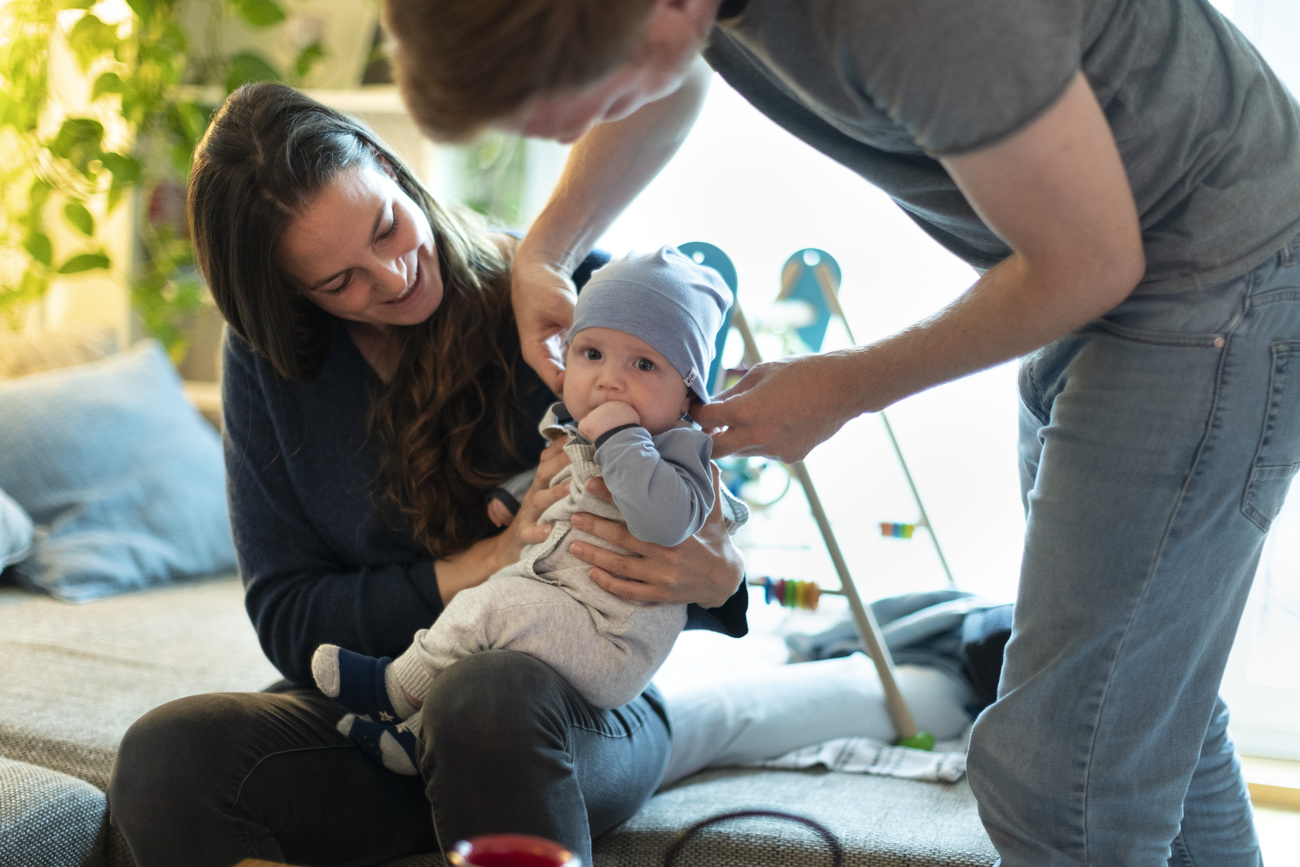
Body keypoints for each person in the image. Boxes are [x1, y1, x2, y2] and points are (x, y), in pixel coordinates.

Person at [378, 1, 1300, 864]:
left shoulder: (912, 18)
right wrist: (547, 246)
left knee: (1062, 769)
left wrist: (847, 386)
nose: (564, 133)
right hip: (1108, 282)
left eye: (574, 102)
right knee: (1139, 705)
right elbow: (671, 72)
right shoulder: (682, 18)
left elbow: (1090, 258)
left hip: (1205, 277)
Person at [104, 81, 975, 867]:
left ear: (389, 166)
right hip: (382, 720)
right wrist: (481, 562)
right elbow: (290, 616)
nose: (396, 274)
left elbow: (704, 509)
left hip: (562, 716)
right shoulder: (271, 365)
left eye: (387, 227)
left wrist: (719, 575)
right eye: (341, 281)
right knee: (167, 755)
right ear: (292, 299)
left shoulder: (578, 307)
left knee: (483, 700)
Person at [309, 245, 744, 775]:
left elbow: (664, 519)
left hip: (610, 640)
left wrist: (622, 436)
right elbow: (558, 474)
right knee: (478, 644)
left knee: (491, 607)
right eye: (592, 355)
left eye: (645, 364)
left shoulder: (681, 451)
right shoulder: (573, 430)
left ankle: (393, 687)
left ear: (686, 397)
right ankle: (414, 738)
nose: (609, 379)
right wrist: (512, 497)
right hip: (559, 608)